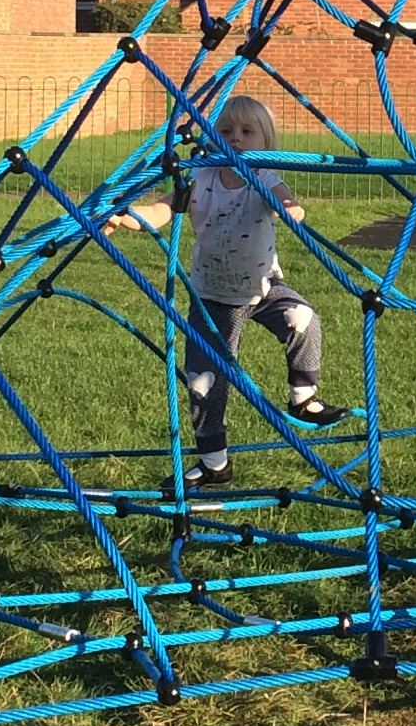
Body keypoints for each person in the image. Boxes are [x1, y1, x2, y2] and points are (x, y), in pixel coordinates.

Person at [105, 94, 351, 489]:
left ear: (265, 145)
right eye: (225, 131)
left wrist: (291, 209)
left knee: (303, 319)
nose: (235, 138)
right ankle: (214, 463)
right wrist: (128, 215)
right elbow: (163, 210)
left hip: (263, 286)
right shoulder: (201, 178)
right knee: (204, 382)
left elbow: (286, 199)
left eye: (246, 132)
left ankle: (303, 398)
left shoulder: (264, 178)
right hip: (212, 297)